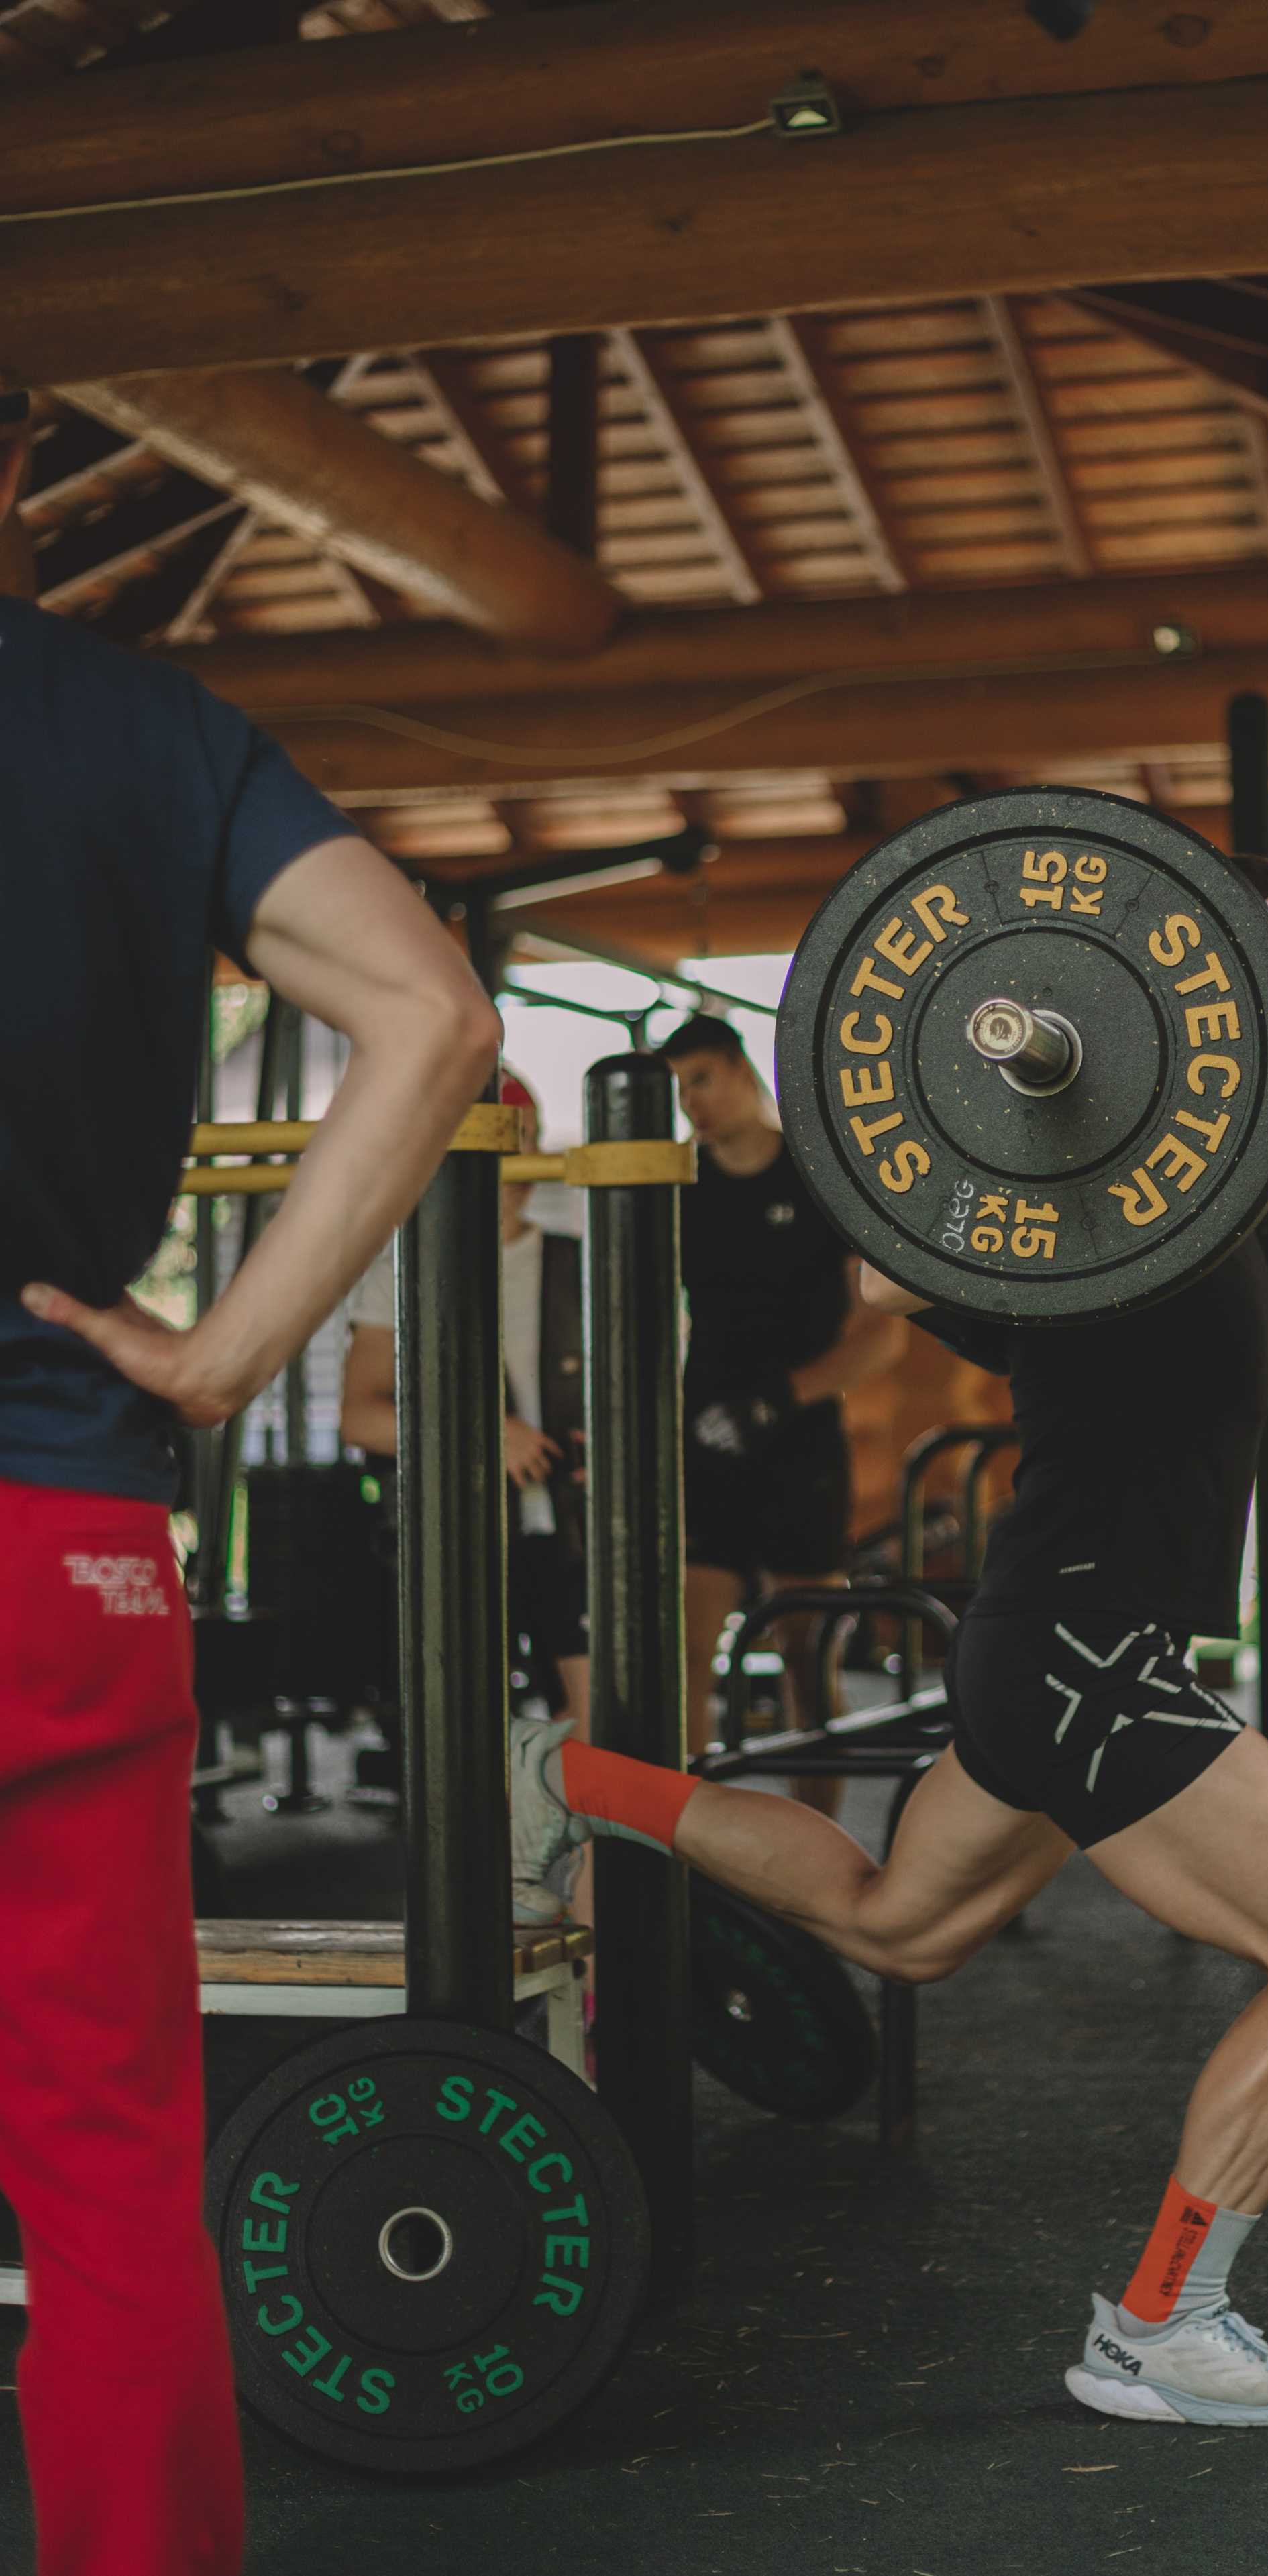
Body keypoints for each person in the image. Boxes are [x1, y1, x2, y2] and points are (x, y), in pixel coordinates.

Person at [515, 866, 1268, 2430]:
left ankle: (575, 1774)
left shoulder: (1208, 1205)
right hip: (1085, 1649)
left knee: (894, 1926)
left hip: (1051, 1640)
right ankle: (1160, 2321)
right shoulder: (1104, 1185)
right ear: (1205, 999)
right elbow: (896, 1255)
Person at [0, 402, 499, 2576]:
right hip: (63, 1537)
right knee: (109, 2182)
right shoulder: (141, 731)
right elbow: (431, 1011)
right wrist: (221, 1358)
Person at [657, 1012, 906, 1785]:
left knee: (805, 1655)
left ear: (738, 1070)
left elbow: (881, 1336)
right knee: (685, 1655)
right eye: (677, 1088)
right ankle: (686, 1865)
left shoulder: (815, 1176)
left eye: (700, 1078)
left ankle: (817, 1877)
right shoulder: (679, 1186)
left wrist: (775, 1400)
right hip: (707, 1436)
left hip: (799, 1445)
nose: (690, 1100)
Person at [340, 1065, 590, 1781]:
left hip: (570, 1533)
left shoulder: (582, 1261)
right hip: (463, 1536)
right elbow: (361, 1416)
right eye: (504, 1140)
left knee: (607, 1739)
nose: (522, 1161)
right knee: (462, 1748)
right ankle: (500, 1888)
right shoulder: (405, 1262)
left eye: (532, 1138)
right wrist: (486, 1434)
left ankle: (600, 1892)